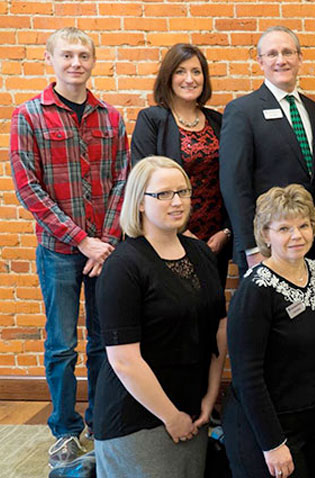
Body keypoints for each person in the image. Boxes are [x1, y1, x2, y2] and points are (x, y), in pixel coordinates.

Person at [9, 27, 129, 468]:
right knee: (61, 344)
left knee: (104, 340)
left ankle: (100, 421)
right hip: (59, 252)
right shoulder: (29, 116)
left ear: (93, 61)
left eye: (83, 55)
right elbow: (29, 188)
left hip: (107, 252)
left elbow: (123, 180)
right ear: (50, 59)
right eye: (67, 55)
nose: (75, 62)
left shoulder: (111, 118)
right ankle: (64, 428)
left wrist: (108, 242)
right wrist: (82, 240)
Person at [93, 156, 227, 477]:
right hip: (138, 419)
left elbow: (218, 329)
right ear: (139, 202)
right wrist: (170, 416)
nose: (178, 201)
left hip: (192, 411)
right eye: (164, 194)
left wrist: (210, 395)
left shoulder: (200, 254)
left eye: (183, 191)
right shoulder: (123, 266)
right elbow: (124, 360)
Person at [223, 185, 315, 478]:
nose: (296, 236)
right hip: (266, 429)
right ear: (266, 235)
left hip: (313, 421)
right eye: (284, 228)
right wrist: (273, 443)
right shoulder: (256, 289)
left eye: (303, 225)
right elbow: (247, 376)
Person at [220, 26, 315, 277]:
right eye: (272, 54)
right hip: (266, 244)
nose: (281, 60)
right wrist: (251, 245)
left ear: (300, 58)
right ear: (260, 61)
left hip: (308, 242)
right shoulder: (242, 111)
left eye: (288, 52)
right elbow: (235, 184)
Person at [131, 43, 231, 286]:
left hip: (215, 240)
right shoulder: (152, 119)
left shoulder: (218, 120)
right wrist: (183, 234)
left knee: (209, 309)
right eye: (181, 71)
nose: (190, 79)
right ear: (168, 77)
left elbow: (232, 177)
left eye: (196, 72)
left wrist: (226, 232)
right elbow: (143, 180)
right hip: (168, 235)